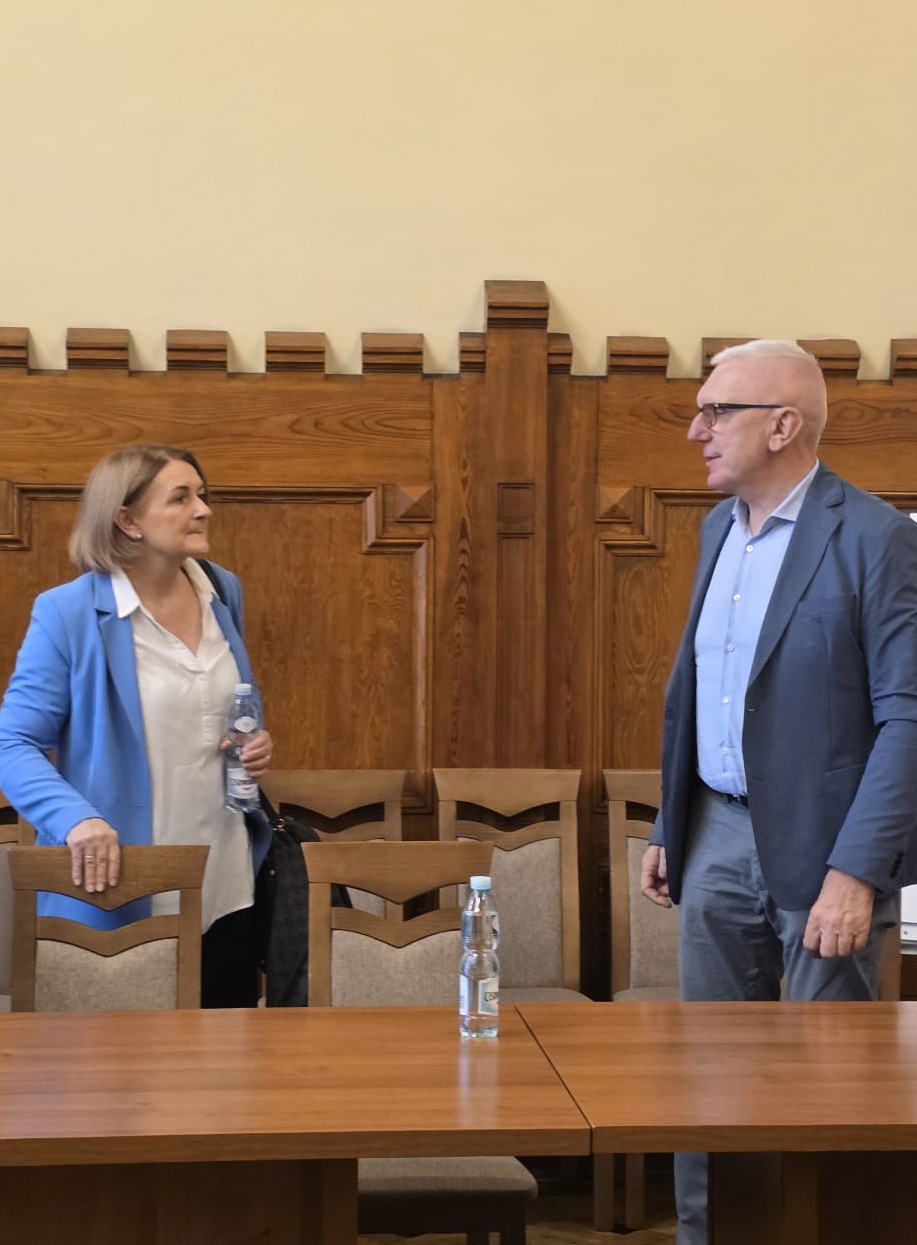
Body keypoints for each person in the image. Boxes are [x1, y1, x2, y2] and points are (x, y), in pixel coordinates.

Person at [640, 340, 917, 1244]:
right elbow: (704, 691)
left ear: (782, 424)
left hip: (827, 851)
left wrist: (856, 871)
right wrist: (669, 819)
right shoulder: (715, 529)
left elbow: (907, 716)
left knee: (825, 1090)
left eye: (716, 411)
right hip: (714, 836)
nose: (697, 430)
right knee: (711, 1077)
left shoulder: (875, 538)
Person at [0, 444, 274, 1008]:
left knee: (226, 1055)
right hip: (119, 887)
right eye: (181, 498)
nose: (203, 510)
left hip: (225, 881)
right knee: (120, 1062)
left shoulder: (222, 590)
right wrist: (75, 819)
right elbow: (12, 741)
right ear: (127, 520)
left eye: (202, 495)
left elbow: (225, 701)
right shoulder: (68, 612)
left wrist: (252, 742)